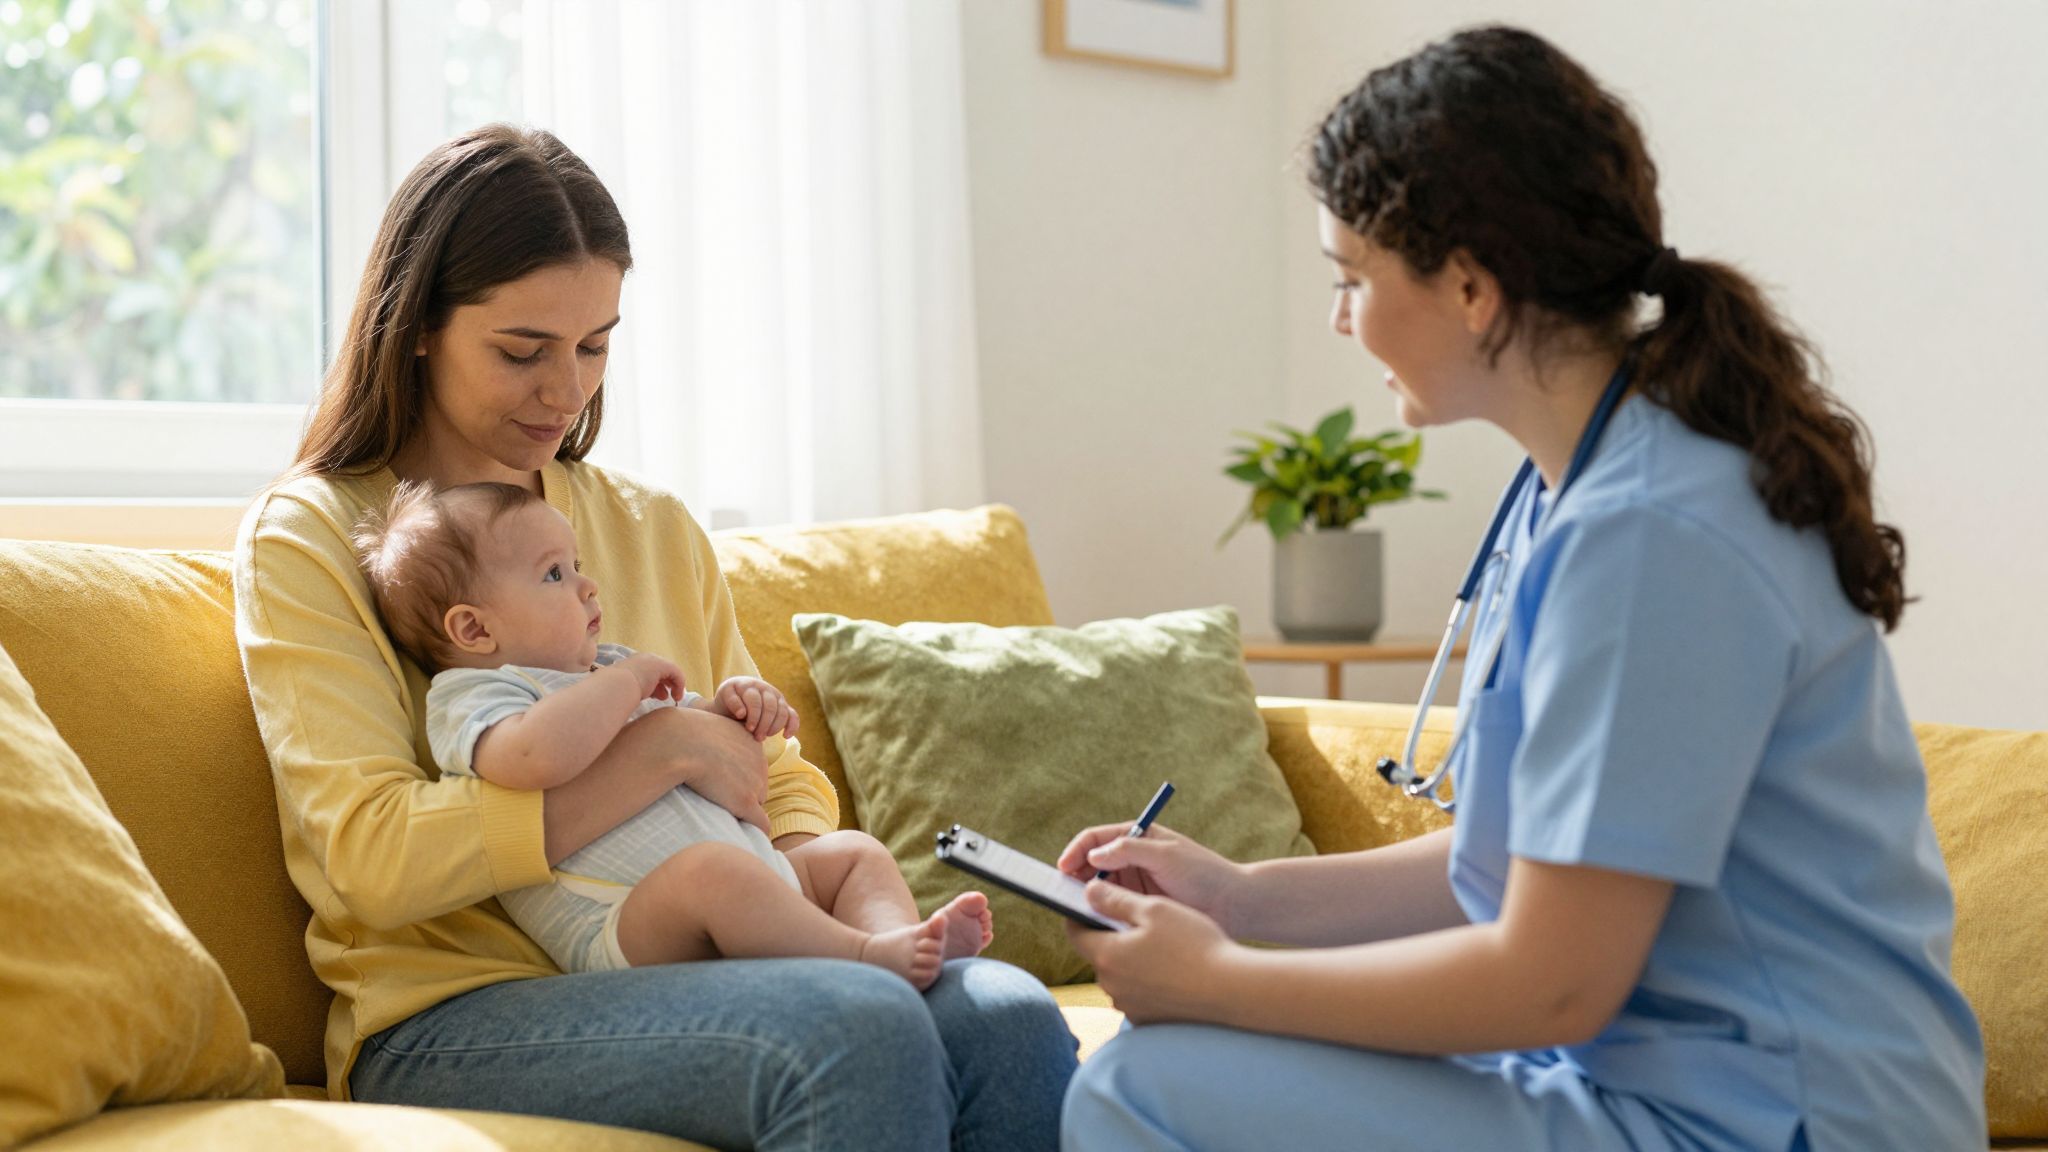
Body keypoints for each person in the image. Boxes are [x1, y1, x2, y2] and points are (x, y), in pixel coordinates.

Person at [1055, 26, 1983, 1152]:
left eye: (1351, 279)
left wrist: (1217, 981)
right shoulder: (1584, 488)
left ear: (1469, 286)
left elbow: (1552, 984)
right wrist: (1240, 899)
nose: (1341, 319)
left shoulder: (1653, 536)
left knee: (1142, 1088)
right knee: (1171, 1071)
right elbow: (1512, 870)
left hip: (1782, 1121)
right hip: (1667, 1091)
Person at [233, 123, 1076, 1152]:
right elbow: (371, 856)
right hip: (453, 1011)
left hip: (700, 950)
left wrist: (790, 897)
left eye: (594, 346)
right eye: (521, 351)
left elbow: (780, 778)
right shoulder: (317, 536)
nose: (567, 390)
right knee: (853, 1029)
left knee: (1007, 1020)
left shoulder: (653, 526)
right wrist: (663, 752)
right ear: (416, 327)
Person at [352, 478, 993, 987]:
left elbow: (706, 738)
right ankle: (865, 961)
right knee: (711, 871)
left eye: (576, 564)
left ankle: (899, 945)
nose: (587, 585)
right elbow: (530, 757)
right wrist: (628, 684)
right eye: (553, 574)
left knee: (853, 853)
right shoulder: (478, 693)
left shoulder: (607, 666)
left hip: (753, 878)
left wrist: (734, 706)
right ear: (474, 630)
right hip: (624, 924)